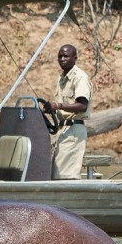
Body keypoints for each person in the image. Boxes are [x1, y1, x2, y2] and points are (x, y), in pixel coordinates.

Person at [43, 44, 93, 180]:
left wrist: (58, 105)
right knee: (56, 173)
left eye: (66, 56)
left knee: (66, 175)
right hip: (61, 129)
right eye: (60, 56)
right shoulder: (61, 79)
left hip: (74, 130)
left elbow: (82, 105)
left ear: (75, 58)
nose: (62, 59)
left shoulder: (80, 77)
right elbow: (61, 107)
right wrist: (49, 109)